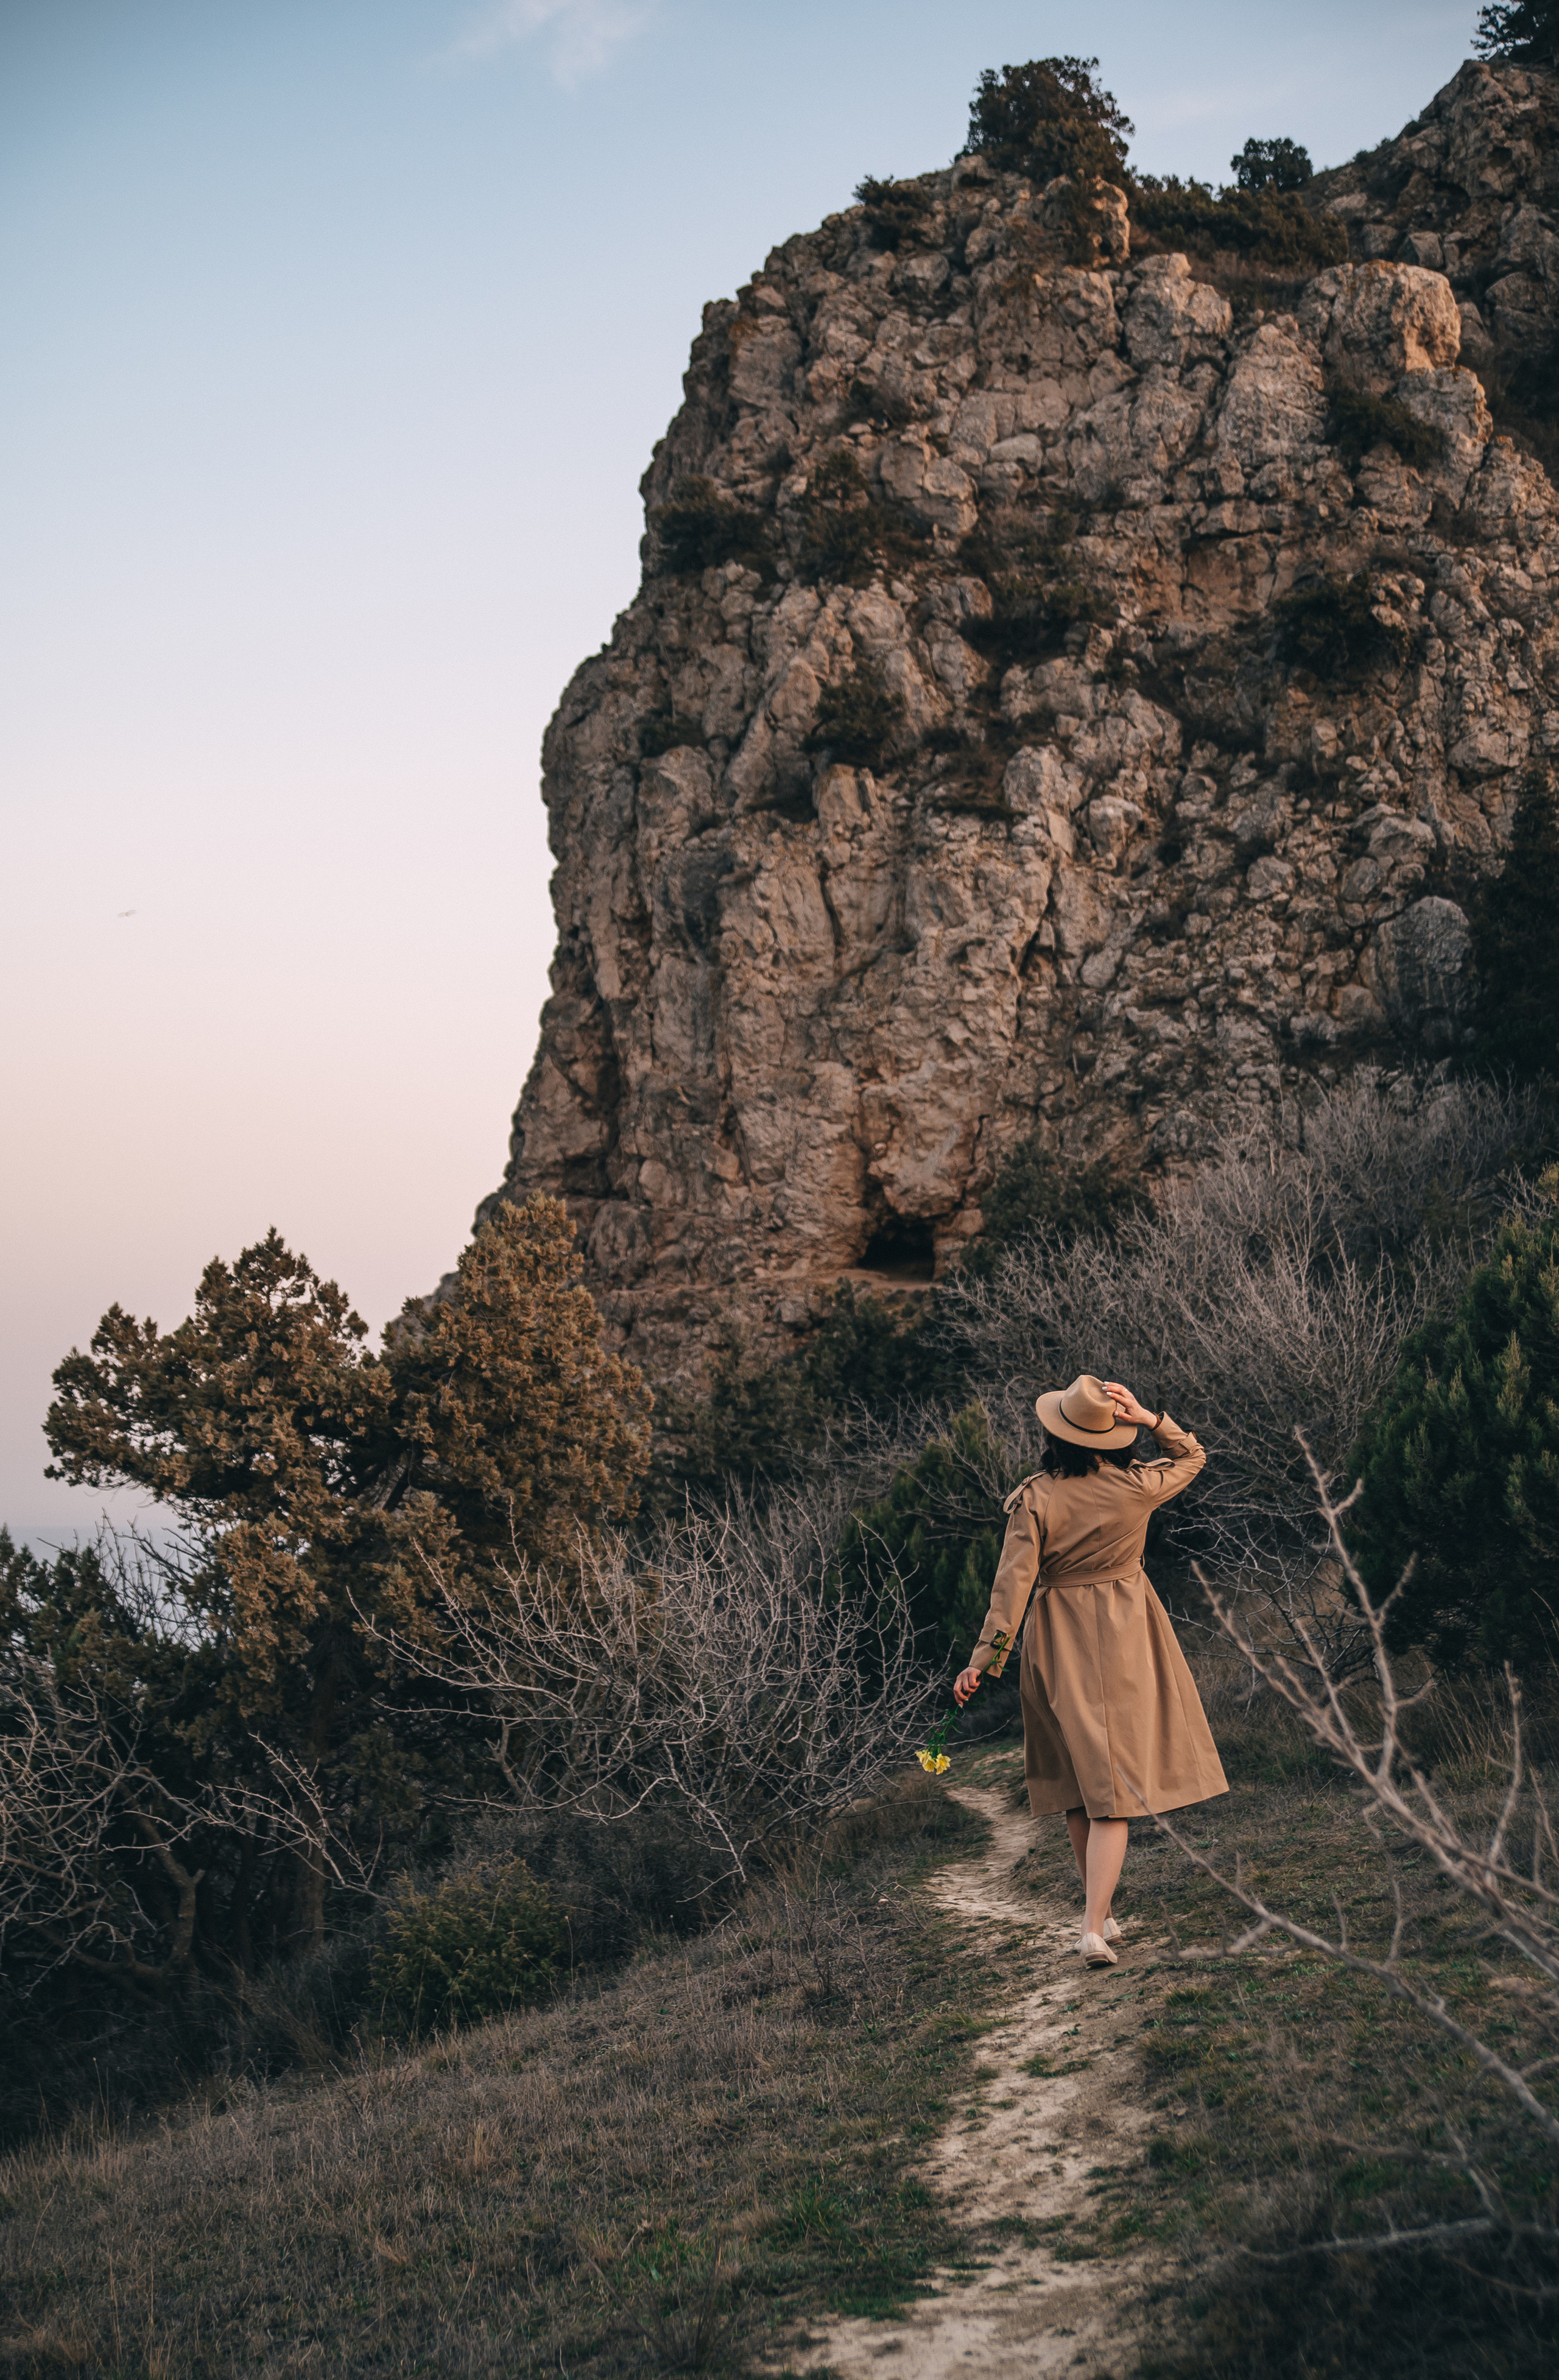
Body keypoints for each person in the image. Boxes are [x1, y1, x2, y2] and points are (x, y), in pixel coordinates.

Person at [953, 1373, 1226, 1968]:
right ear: (1111, 1436)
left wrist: (984, 1660)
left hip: (1058, 1638)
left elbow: (1011, 1585)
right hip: (1125, 1632)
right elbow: (1194, 1455)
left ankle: (1099, 1915)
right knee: (1112, 1793)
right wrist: (1151, 1416)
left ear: (1056, 1436)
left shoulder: (1036, 1497)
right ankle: (1092, 1927)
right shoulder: (1137, 1484)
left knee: (1084, 1787)